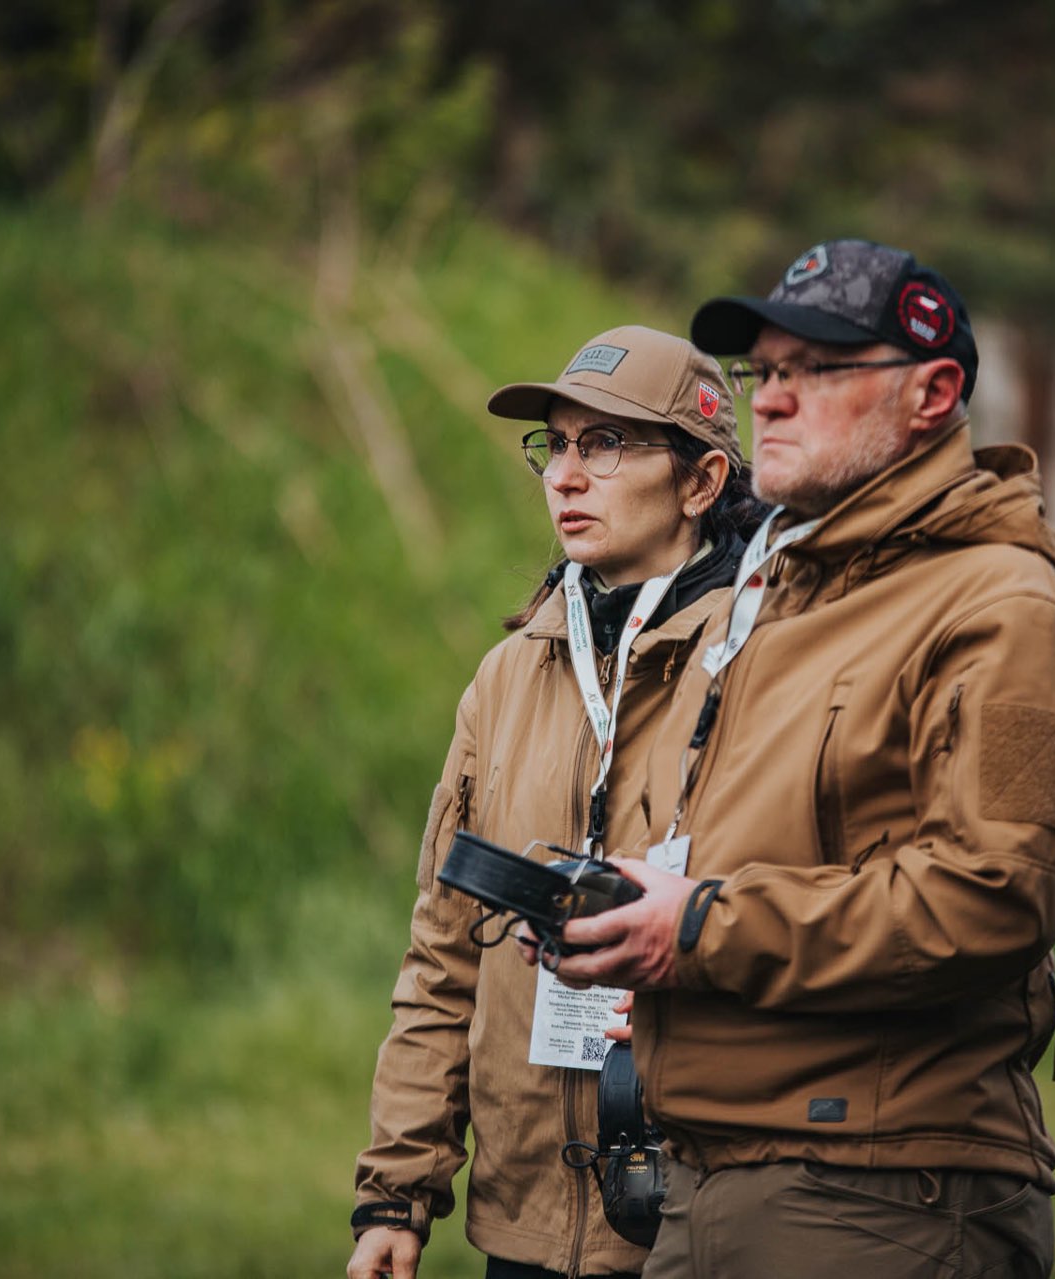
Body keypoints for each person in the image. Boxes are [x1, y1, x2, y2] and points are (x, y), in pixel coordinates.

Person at [543, 241, 1055, 1279]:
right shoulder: (796, 592)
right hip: (711, 1178)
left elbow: (993, 895)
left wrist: (703, 930)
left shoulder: (1005, 605)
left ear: (933, 392)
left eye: (817, 369)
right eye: (765, 373)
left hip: (877, 1192)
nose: (769, 400)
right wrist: (648, 933)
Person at [349, 326, 767, 1279]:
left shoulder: (770, 663)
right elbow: (444, 947)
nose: (566, 476)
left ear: (703, 482)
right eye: (558, 444)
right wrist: (397, 1189)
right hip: (527, 1222)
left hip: (706, 1216)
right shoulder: (508, 676)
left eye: (608, 444)